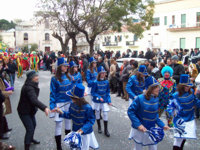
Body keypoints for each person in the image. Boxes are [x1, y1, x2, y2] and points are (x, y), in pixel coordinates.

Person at [128, 76, 169, 150]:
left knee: (153, 147)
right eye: (156, 87)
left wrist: (162, 125)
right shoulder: (139, 98)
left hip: (151, 128)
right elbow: (130, 112)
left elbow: (155, 115)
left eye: (158, 86)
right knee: (138, 148)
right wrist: (138, 125)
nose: (158, 88)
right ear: (150, 89)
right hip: (139, 129)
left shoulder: (156, 98)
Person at [55, 84, 99, 150]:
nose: (70, 98)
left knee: (84, 147)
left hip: (85, 133)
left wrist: (82, 130)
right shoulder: (72, 104)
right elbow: (70, 115)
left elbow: (91, 120)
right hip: (75, 131)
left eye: (71, 97)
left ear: (76, 98)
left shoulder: (87, 107)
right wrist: (61, 112)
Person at [17, 71, 50, 150]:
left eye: (37, 75)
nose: (37, 77)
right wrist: (44, 107)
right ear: (31, 78)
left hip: (30, 110)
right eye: (35, 76)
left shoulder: (32, 84)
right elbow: (34, 100)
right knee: (30, 129)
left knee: (33, 125)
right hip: (24, 111)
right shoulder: (29, 87)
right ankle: (27, 147)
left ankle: (31, 139)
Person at [167, 74, 200, 150]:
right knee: (178, 138)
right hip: (180, 120)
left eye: (189, 86)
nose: (188, 87)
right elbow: (170, 108)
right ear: (181, 86)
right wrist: (172, 116)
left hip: (189, 119)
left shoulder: (191, 92)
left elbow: (196, 102)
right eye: (186, 86)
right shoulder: (175, 95)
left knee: (184, 137)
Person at [49, 58, 73, 150]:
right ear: (59, 67)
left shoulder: (69, 77)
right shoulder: (54, 79)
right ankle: (59, 146)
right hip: (59, 104)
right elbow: (52, 93)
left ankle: (69, 143)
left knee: (68, 123)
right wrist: (52, 106)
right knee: (59, 124)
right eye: (64, 65)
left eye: (67, 65)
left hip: (69, 103)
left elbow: (72, 91)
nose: (66, 67)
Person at [91, 66, 111, 137]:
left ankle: (106, 130)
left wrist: (109, 100)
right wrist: (99, 97)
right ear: (99, 74)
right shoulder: (95, 82)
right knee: (97, 112)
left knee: (105, 113)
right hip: (97, 100)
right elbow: (93, 92)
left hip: (104, 100)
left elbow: (108, 92)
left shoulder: (107, 82)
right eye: (102, 73)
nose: (103, 74)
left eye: (104, 73)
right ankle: (99, 126)